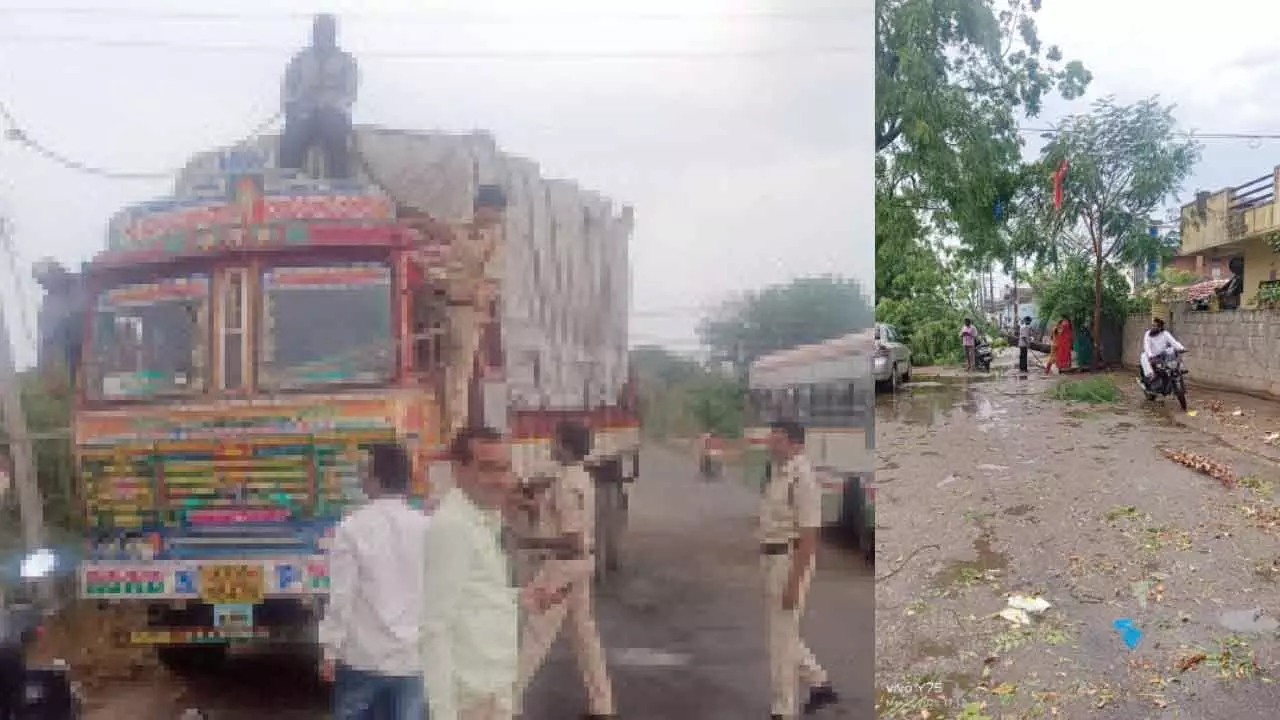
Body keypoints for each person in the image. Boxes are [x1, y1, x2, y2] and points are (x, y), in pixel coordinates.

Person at [317, 443, 431, 720]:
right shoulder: (428, 528)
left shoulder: (351, 528)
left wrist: (330, 650)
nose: (361, 479)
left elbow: (341, 596)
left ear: (376, 480)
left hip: (362, 658)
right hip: (412, 660)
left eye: (365, 472)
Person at [515, 420, 616, 720]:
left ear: (566, 446)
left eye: (554, 440)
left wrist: (528, 541)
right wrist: (526, 504)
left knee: (534, 637)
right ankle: (603, 705)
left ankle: (505, 703)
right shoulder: (580, 478)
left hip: (562, 568)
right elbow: (557, 520)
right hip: (578, 569)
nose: (550, 444)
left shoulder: (565, 484)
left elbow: (572, 542)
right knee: (585, 639)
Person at [421, 426, 521, 720]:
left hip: (493, 692)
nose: (501, 481)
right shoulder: (452, 526)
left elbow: (476, 598)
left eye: (505, 469)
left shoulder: (484, 518)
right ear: (458, 470)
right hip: (470, 702)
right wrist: (443, 713)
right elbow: (434, 628)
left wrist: (520, 598)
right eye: (488, 469)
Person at [760, 421, 837, 719]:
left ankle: (783, 710)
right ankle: (819, 683)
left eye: (777, 441)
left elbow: (809, 537)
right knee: (782, 634)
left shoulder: (802, 478)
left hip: (788, 561)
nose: (771, 445)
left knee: (780, 641)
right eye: (771, 439)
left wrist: (795, 582)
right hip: (772, 560)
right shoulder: (780, 474)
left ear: (795, 444)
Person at [279, 13, 358, 178]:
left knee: (335, 133)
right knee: (291, 135)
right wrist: (293, 103)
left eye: (326, 32)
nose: (321, 36)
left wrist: (333, 103)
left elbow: (350, 94)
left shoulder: (346, 61)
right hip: (305, 113)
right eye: (318, 32)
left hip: (332, 114)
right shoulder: (300, 59)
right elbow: (288, 88)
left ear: (333, 34)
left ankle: (339, 182)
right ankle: (287, 179)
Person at [1140, 317, 1186, 388]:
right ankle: (1150, 375)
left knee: (1172, 350)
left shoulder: (1165, 333)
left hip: (1162, 355)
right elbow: (1147, 346)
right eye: (1152, 325)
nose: (1153, 327)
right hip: (1151, 356)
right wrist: (1150, 356)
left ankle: (1180, 368)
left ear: (1160, 327)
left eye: (1155, 326)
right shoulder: (1148, 334)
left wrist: (1182, 348)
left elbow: (1173, 342)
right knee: (1143, 356)